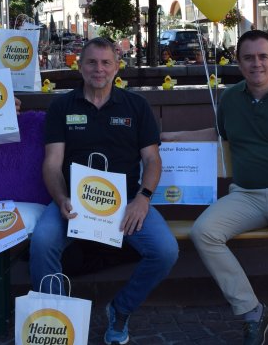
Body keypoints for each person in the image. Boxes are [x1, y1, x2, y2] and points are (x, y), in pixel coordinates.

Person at [162, 30, 268, 345]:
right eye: (248, 57)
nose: (256, 64)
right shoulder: (232, 98)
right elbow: (218, 134)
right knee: (203, 232)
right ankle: (253, 312)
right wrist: (174, 137)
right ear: (239, 61)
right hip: (245, 195)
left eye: (263, 56)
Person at [31, 37, 179, 345]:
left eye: (106, 63)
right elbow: (52, 164)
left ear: (117, 67)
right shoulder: (62, 106)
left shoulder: (135, 106)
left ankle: (121, 310)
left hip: (125, 203)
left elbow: (152, 160)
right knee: (43, 241)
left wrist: (144, 197)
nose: (99, 69)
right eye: (92, 62)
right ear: (80, 66)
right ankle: (55, 322)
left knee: (165, 250)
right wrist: (60, 199)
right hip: (73, 200)